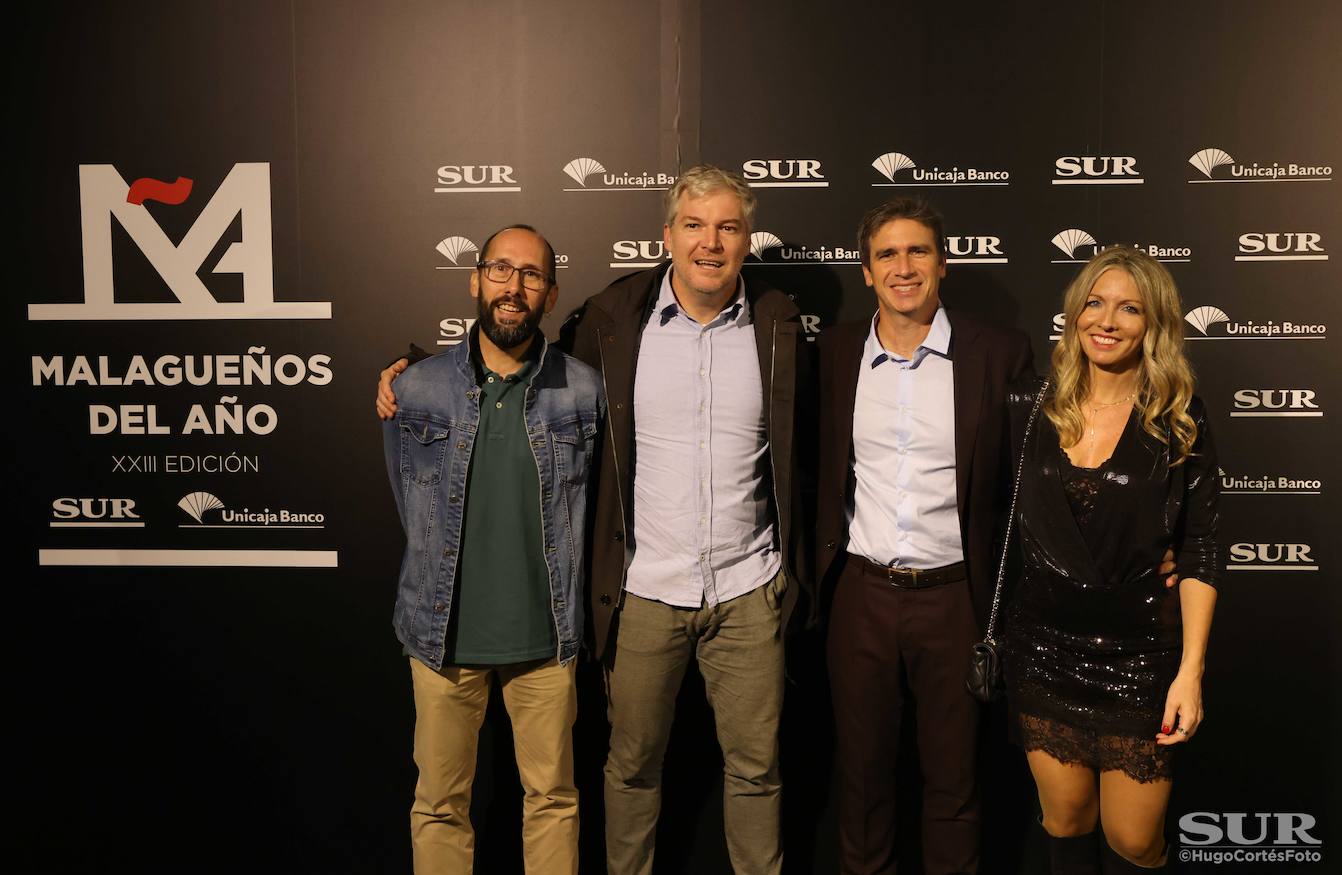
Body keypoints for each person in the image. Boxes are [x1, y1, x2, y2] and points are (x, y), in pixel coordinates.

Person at [379, 166, 809, 875]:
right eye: (694, 226)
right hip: (631, 593)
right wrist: (412, 371)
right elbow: (431, 455)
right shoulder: (613, 325)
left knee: (749, 773)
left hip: (736, 590)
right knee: (618, 773)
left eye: (728, 227)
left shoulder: (774, 325)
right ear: (666, 236)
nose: (710, 242)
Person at [815, 196, 1034, 875]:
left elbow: (1033, 479)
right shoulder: (833, 352)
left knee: (955, 786)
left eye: (917, 251)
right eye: (887, 253)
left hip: (956, 600)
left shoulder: (999, 353)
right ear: (866, 269)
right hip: (861, 595)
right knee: (862, 786)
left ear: (944, 263)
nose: (903, 267)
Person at [383, 224, 605, 874]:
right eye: (501, 270)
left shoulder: (584, 390)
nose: (515, 287)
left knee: (554, 799)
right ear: (475, 279)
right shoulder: (416, 388)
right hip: (440, 636)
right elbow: (404, 495)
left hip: (547, 638)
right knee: (439, 804)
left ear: (552, 293)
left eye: (531, 275)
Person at [1004, 245, 1219, 874]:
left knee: (1132, 839)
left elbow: (1202, 548)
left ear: (1155, 324)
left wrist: (1191, 672)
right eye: (1094, 303)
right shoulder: (1028, 408)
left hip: (1142, 655)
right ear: (1074, 316)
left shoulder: (1180, 419)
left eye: (1129, 308)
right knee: (1065, 821)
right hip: (1043, 646)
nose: (1108, 320)